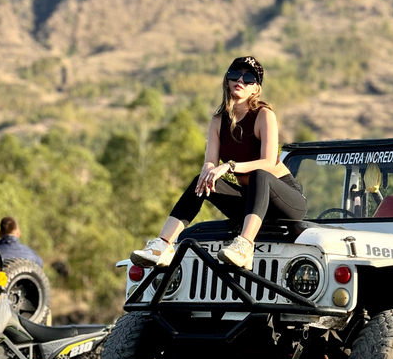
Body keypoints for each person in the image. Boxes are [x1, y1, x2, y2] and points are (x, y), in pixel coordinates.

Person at [131, 56, 307, 271]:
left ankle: (244, 246)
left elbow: (269, 162)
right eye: (235, 74)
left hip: (285, 203)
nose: (240, 80)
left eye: (249, 78)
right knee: (201, 181)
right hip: (251, 203)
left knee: (260, 174)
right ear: (227, 80)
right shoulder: (218, 120)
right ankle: (163, 245)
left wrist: (229, 166)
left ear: (256, 88)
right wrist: (209, 172)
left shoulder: (263, 115)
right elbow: (210, 163)